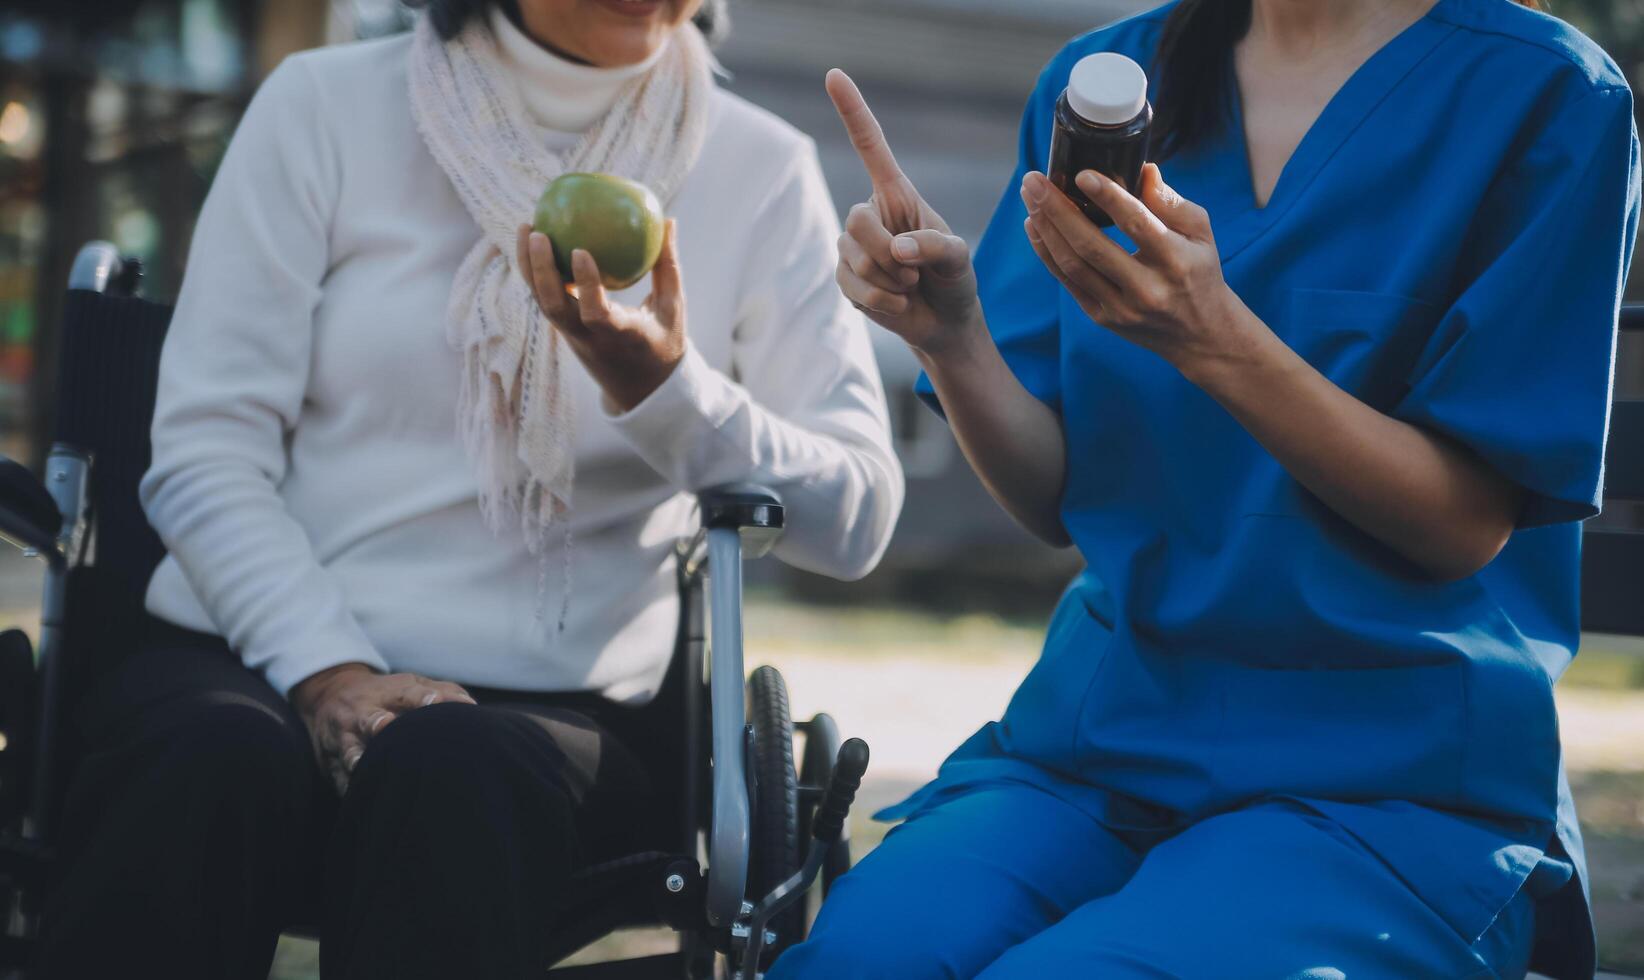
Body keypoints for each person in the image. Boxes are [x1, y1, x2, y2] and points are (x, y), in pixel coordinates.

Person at [37, 0, 902, 976]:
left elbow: (856, 516)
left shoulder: (760, 168)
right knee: (205, 759)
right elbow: (205, 449)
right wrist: (330, 673)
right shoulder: (323, 108)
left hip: (557, 701)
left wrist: (666, 391)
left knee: (451, 769)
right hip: (254, 648)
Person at [776, 0, 1637, 977]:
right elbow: (1053, 494)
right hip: (1103, 744)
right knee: (861, 955)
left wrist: (1216, 338)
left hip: (1389, 779)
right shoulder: (1105, 78)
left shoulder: (1547, 95)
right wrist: (951, 334)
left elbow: (1465, 524)